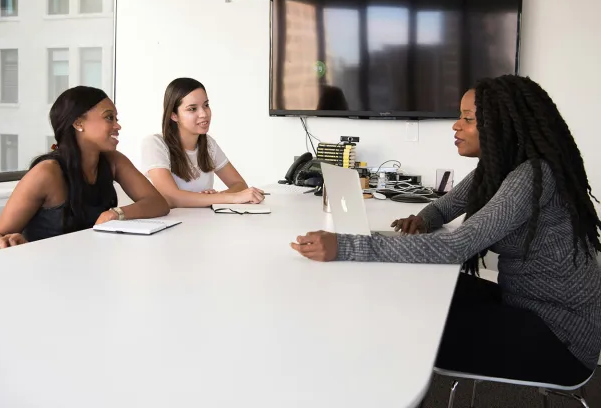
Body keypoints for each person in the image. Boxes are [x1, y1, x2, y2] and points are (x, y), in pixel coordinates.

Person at [291, 75, 601, 385]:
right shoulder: (496, 171)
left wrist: (345, 246)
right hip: (523, 303)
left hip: (560, 338)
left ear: (502, 124)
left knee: (403, 325)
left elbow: (457, 246)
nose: (456, 126)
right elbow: (443, 207)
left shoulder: (532, 175)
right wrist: (424, 219)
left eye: (468, 119)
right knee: (416, 291)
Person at [0, 86, 170, 251]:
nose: (117, 125)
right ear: (78, 123)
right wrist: (6, 243)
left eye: (116, 118)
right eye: (109, 117)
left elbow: (158, 203)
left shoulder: (113, 161)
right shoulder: (47, 173)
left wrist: (116, 214)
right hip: (48, 274)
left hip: (91, 266)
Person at [142, 77, 264, 208]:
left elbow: (239, 184)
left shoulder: (208, 144)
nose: (204, 114)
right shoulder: (155, 144)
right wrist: (226, 198)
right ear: (174, 115)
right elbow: (171, 197)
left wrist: (213, 198)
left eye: (206, 105)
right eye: (192, 109)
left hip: (204, 223)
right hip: (172, 225)